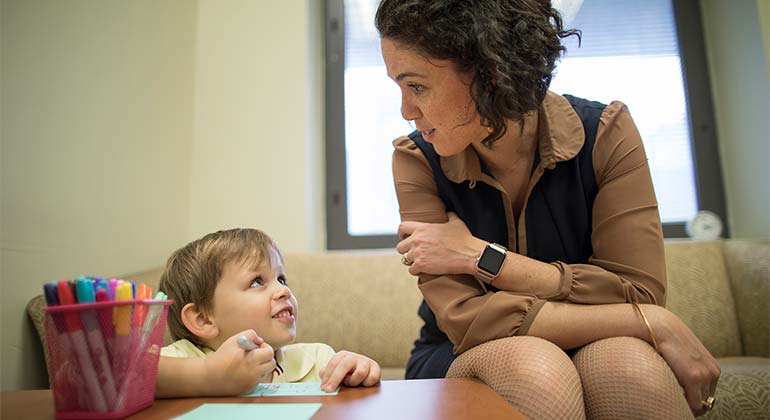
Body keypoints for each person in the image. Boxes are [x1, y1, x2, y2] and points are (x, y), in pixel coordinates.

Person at [374, 0, 720, 418]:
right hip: (459, 352)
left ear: (487, 72)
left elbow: (638, 290)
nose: (406, 111)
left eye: (416, 86)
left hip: (599, 344)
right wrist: (650, 322)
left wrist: (481, 257)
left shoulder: (607, 132)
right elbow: (467, 320)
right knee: (538, 369)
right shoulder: (415, 159)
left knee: (630, 368)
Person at [154, 228, 381, 397]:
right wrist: (208, 374)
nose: (284, 290)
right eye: (256, 282)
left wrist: (358, 370)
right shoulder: (178, 359)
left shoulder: (316, 360)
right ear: (203, 319)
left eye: (281, 278)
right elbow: (126, 376)